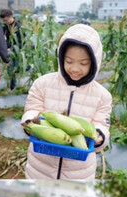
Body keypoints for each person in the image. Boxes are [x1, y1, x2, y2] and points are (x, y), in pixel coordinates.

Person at [21, 24, 112, 180]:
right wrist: (31, 122)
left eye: (83, 63)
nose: (75, 69)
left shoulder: (102, 95)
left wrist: (99, 136)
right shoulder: (42, 84)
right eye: (69, 61)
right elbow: (33, 108)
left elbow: (101, 123)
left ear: (94, 63)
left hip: (79, 172)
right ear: (61, 58)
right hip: (41, 167)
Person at [0, 9, 23, 91]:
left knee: (12, 68)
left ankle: (12, 87)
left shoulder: (18, 27)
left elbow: (21, 42)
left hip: (16, 51)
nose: (5, 22)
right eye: (3, 20)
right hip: (8, 50)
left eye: (6, 20)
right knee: (11, 69)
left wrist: (13, 49)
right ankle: (12, 86)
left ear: (11, 17)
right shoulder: (6, 26)